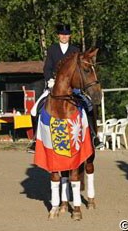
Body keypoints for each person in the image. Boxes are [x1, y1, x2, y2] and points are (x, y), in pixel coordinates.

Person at [28, 23, 103, 153]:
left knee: (89, 106)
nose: (64, 36)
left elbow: (79, 70)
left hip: (73, 88)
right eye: (62, 34)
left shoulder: (75, 50)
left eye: (66, 34)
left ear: (70, 36)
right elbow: (47, 68)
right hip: (54, 86)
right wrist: (50, 80)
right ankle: (35, 140)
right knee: (35, 110)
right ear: (58, 35)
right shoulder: (52, 49)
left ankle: (94, 136)